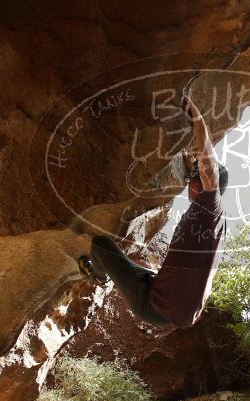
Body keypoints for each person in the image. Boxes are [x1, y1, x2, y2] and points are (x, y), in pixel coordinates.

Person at [78, 96, 228, 328]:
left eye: (194, 176)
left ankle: (99, 277)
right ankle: (124, 274)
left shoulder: (211, 211)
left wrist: (198, 121)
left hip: (152, 304)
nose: (190, 180)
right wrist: (192, 165)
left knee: (100, 245)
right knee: (137, 267)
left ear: (202, 184)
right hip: (163, 296)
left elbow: (210, 172)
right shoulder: (208, 220)